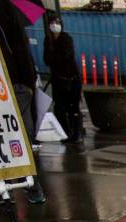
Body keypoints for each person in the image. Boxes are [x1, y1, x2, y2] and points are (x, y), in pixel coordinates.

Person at [0, 0, 46, 204]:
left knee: (20, 138)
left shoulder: (4, 8)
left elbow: (18, 44)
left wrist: (26, 82)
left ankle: (29, 186)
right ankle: (3, 190)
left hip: (14, 82)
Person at [44, 13, 83, 144]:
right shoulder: (48, 40)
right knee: (59, 109)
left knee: (73, 107)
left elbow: (66, 56)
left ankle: (76, 133)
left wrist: (54, 58)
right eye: (52, 23)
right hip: (58, 80)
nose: (55, 25)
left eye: (57, 23)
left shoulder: (66, 38)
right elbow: (47, 60)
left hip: (72, 79)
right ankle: (66, 132)